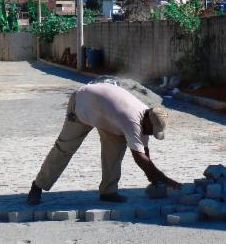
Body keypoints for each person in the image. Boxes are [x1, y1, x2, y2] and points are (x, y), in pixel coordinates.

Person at [27, 82, 181, 204]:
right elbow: (139, 158)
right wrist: (164, 179)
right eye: (151, 131)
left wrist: (154, 180)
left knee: (115, 149)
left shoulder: (147, 118)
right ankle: (37, 186)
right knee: (64, 148)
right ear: (148, 121)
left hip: (108, 116)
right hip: (82, 105)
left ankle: (108, 192)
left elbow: (145, 152)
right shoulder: (132, 120)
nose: (150, 134)